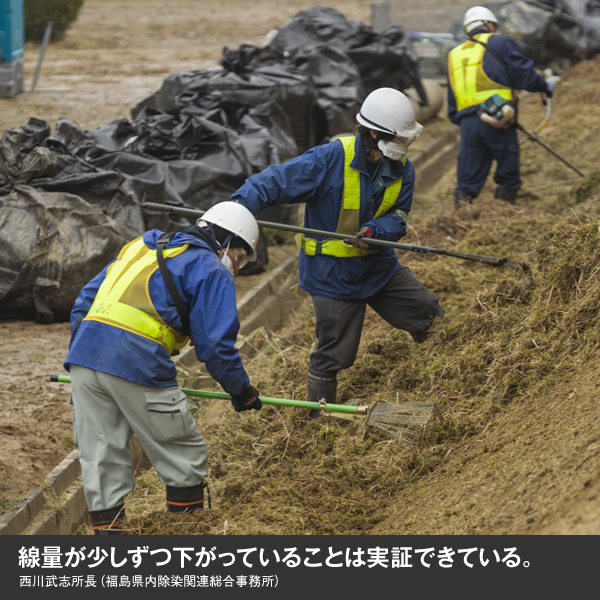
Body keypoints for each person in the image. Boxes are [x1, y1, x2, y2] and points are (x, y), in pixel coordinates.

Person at [230, 87, 444, 418]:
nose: (405, 146)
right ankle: (321, 420)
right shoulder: (330, 159)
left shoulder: (403, 170)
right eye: (398, 138)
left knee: (427, 312)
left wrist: (376, 232)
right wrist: (236, 210)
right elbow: (273, 182)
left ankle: (442, 372)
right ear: (374, 133)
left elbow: (398, 217)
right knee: (336, 354)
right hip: (332, 277)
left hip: (378, 268)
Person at [64, 201, 263, 534]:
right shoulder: (210, 268)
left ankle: (110, 550)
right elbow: (215, 346)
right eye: (241, 258)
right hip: (136, 358)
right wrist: (241, 390)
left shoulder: (140, 246)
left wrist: (87, 354)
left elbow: (84, 301)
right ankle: (187, 535)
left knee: (101, 456)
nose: (238, 268)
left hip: (85, 355)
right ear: (227, 243)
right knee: (180, 450)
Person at [447, 5, 555, 208]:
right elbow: (524, 75)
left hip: (468, 124)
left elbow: (452, 104)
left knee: (467, 179)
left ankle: (461, 221)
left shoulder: (454, 54)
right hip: (499, 116)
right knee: (508, 173)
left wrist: (468, 119)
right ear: (489, 24)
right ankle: (503, 214)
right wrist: (544, 85)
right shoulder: (500, 42)